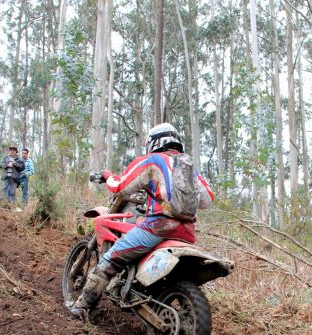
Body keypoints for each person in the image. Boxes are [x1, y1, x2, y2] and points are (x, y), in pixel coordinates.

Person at [69, 122, 214, 320]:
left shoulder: (152, 160)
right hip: (187, 232)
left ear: (154, 142)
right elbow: (207, 200)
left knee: (110, 259)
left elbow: (121, 186)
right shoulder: (190, 168)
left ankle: (82, 307)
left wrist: (107, 176)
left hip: (158, 227)